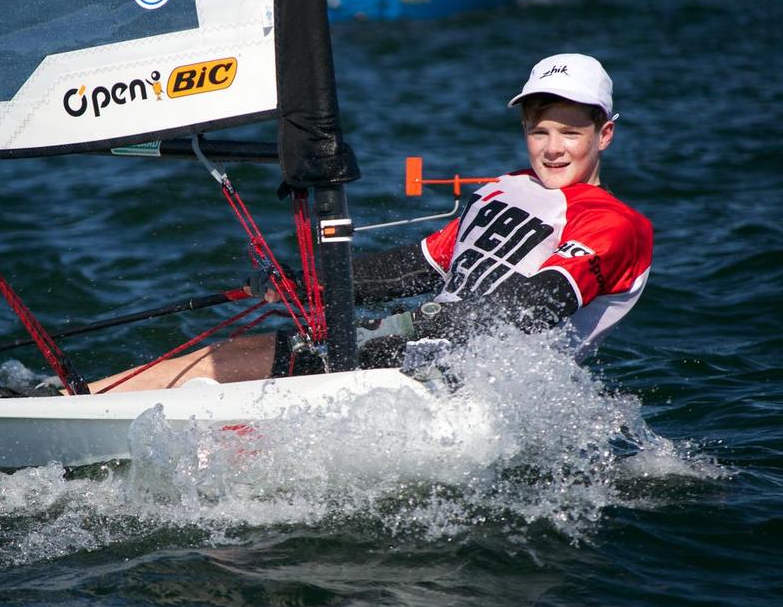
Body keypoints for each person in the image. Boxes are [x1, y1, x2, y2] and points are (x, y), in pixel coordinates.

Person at [86, 53, 653, 393]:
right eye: (540, 131)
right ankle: (80, 396)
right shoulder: (503, 190)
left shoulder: (617, 224)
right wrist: (304, 282)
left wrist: (414, 325)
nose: (553, 149)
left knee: (276, 363)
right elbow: (416, 265)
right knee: (260, 347)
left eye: (571, 132)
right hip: (414, 355)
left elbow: (537, 306)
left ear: (604, 134)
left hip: (475, 391)